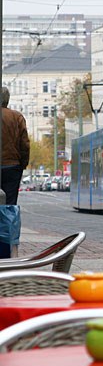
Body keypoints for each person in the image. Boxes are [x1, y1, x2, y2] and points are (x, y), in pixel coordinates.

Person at [1, 87, 30, 259]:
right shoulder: (17, 117)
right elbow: (24, 144)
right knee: (9, 207)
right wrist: (22, 164)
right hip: (12, 166)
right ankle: (10, 248)